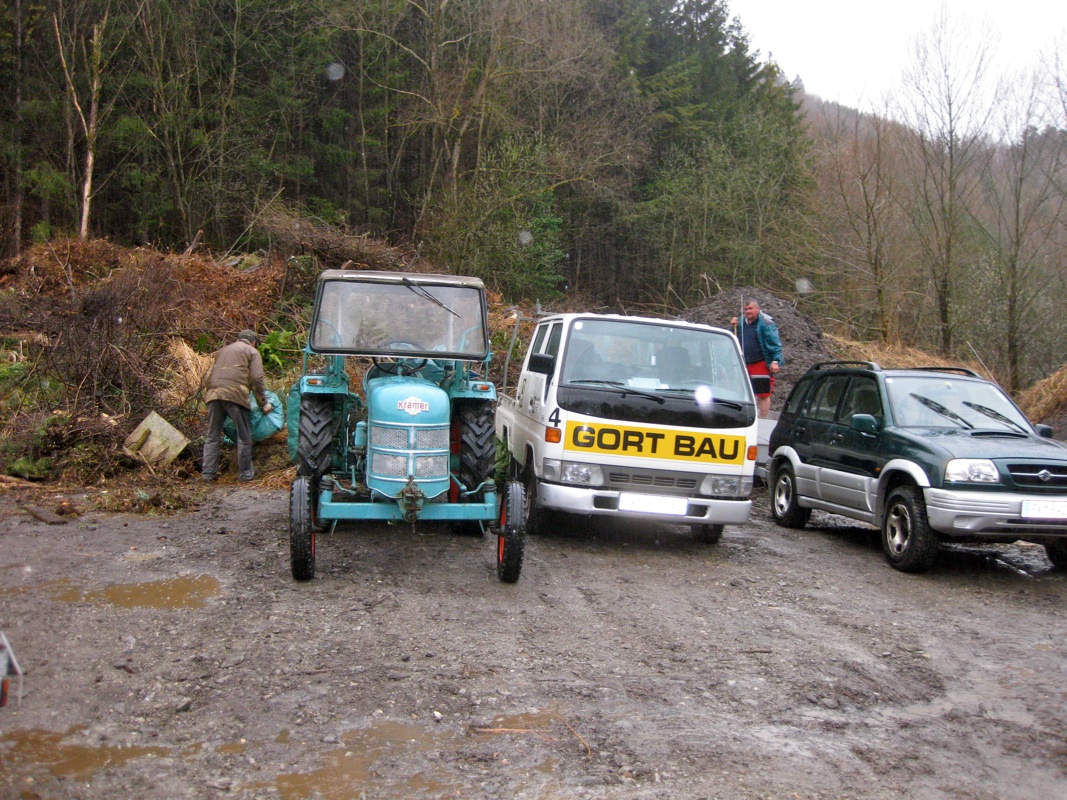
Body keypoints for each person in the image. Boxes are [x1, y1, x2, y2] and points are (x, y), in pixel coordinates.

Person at [201, 330, 273, 482]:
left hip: (213, 394)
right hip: (235, 394)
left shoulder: (221, 351)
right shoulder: (252, 351)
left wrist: (210, 394)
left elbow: (208, 375)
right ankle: (245, 474)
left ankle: (208, 474)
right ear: (254, 342)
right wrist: (263, 403)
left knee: (212, 436)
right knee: (244, 436)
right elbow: (256, 378)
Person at [731, 299, 783, 418]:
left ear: (757, 309)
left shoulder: (766, 323)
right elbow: (734, 337)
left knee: (763, 392)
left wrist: (775, 361)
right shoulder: (740, 322)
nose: (748, 311)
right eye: (746, 309)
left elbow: (775, 343)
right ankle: (745, 418)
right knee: (743, 392)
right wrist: (733, 326)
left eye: (750, 308)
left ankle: (763, 419)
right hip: (743, 363)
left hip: (760, 362)